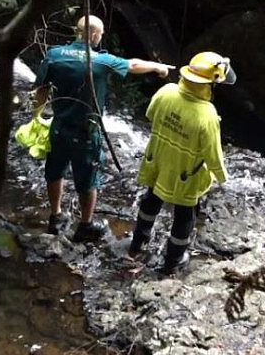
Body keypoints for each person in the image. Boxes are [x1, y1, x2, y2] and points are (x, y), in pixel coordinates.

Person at [33, 14, 172, 242]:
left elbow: (41, 90)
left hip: (58, 127)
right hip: (86, 133)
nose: (102, 36)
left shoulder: (54, 55)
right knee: (88, 180)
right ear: (94, 34)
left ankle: (56, 216)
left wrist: (36, 118)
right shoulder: (99, 61)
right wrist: (158, 67)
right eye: (101, 33)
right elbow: (133, 64)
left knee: (55, 170)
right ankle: (85, 225)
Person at [128, 51, 234, 274]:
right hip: (185, 173)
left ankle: (137, 243)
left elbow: (149, 114)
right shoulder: (208, 114)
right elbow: (213, 155)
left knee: (151, 200)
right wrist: (223, 178)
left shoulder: (166, 91)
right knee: (185, 215)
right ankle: (173, 261)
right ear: (209, 85)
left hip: (158, 160)